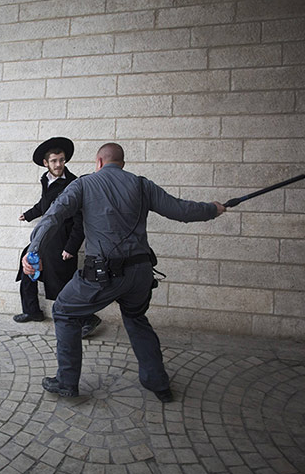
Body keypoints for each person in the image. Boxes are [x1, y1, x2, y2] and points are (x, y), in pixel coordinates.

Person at [23, 143, 226, 401]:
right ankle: (158, 383)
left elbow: (53, 217)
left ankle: (66, 381)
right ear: (123, 164)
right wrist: (213, 209)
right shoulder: (142, 185)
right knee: (136, 317)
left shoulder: (84, 184)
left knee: (63, 310)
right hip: (140, 274)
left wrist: (33, 252)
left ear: (98, 162)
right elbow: (181, 210)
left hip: (102, 275)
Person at [15, 137, 101, 337]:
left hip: (61, 242)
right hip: (46, 239)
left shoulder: (74, 184)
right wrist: (29, 215)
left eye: (61, 160)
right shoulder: (47, 180)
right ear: (46, 163)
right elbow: (44, 205)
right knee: (27, 265)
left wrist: (71, 247)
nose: (59, 164)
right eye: (54, 161)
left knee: (62, 285)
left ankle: (88, 318)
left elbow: (81, 221)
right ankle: (32, 310)